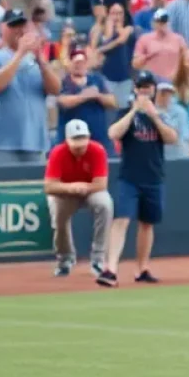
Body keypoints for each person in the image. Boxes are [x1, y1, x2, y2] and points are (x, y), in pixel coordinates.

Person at [98, 70, 178, 287]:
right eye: (141, 87)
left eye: (148, 87)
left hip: (153, 176)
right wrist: (134, 111)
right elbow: (114, 133)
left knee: (147, 223)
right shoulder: (125, 112)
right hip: (130, 177)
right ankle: (110, 269)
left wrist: (153, 115)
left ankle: (142, 268)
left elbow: (172, 138)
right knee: (121, 220)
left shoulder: (161, 114)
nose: (145, 91)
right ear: (135, 89)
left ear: (153, 89)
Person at [0, 8, 61, 165]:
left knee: (34, 189)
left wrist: (41, 61)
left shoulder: (36, 61)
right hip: (0, 144)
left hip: (36, 143)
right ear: (2, 28)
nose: (19, 30)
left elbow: (55, 90)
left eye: (22, 25)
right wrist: (20, 53)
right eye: (13, 25)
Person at [43, 119, 114, 278]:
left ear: (88, 137)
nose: (80, 146)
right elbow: (49, 187)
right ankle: (65, 259)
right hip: (66, 192)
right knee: (58, 214)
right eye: (76, 141)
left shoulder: (97, 150)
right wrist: (70, 187)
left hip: (90, 190)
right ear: (67, 140)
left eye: (83, 140)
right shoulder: (58, 152)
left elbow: (101, 184)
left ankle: (98, 259)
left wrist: (84, 187)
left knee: (105, 204)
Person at [57, 47, 116, 151]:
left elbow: (112, 102)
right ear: (70, 64)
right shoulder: (64, 82)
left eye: (82, 62)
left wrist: (98, 95)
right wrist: (84, 96)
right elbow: (63, 101)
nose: (79, 66)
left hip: (98, 137)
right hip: (72, 139)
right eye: (76, 63)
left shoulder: (97, 79)